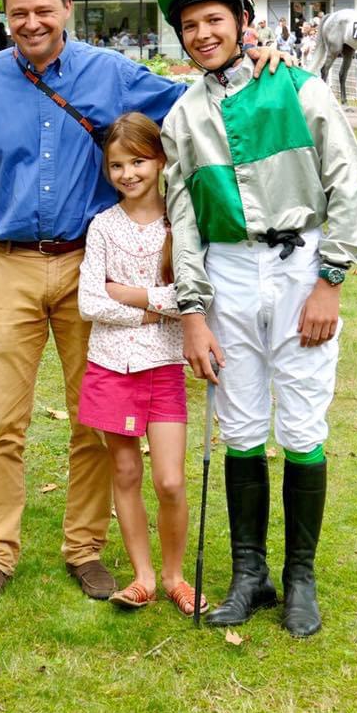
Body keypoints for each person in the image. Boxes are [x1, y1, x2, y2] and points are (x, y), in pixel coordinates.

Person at [0, 0, 291, 612]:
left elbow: (200, 97)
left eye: (44, 10)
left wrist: (257, 62)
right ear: (4, 17)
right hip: (7, 264)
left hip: (86, 262)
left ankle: (84, 548)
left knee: (96, 420)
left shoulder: (112, 74)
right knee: (1, 420)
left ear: (66, 8)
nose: (32, 23)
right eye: (19, 14)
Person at [157, 0, 357, 637]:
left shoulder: (301, 90)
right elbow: (181, 220)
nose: (202, 34)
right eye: (189, 26)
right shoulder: (183, 115)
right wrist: (192, 313)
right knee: (242, 426)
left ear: (244, 22)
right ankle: (252, 574)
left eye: (214, 19)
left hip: (299, 264)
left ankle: (300, 576)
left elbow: (349, 185)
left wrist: (330, 281)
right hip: (226, 273)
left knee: (302, 424)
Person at [77, 113, 205, 617]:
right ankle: (144, 577)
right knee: (126, 471)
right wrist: (156, 305)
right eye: (116, 165)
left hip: (165, 365)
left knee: (169, 480)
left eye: (138, 161)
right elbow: (90, 301)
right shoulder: (103, 227)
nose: (127, 173)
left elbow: (191, 295)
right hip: (111, 365)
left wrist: (131, 295)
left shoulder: (182, 225)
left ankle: (175, 574)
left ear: (160, 161)